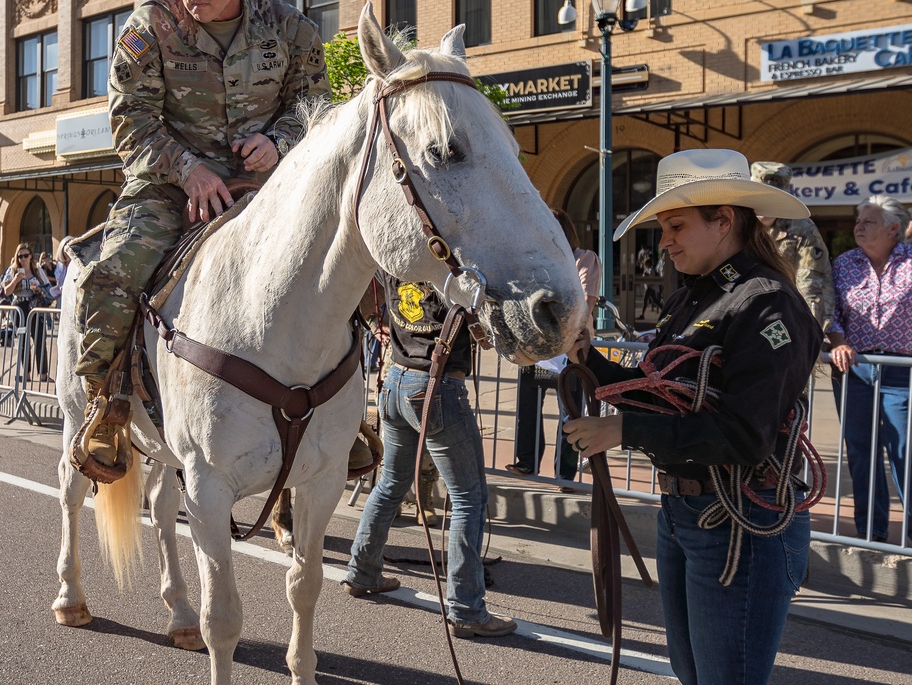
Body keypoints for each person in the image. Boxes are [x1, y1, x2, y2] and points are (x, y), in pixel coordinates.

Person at [72, 0, 329, 468]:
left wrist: (281, 141)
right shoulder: (148, 29)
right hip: (168, 188)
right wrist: (187, 167)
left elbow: (315, 106)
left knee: (341, 269)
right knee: (112, 272)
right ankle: (105, 405)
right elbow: (130, 120)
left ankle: (348, 416)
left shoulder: (290, 29)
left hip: (268, 188)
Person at [562, 148, 821, 685]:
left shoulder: (769, 305)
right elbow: (661, 392)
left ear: (724, 220)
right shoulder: (693, 298)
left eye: (676, 226)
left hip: (738, 524)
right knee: (692, 673)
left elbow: (745, 435)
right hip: (687, 515)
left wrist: (623, 429)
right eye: (662, 228)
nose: (665, 242)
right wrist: (585, 357)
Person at [343, 274, 517, 639]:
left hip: (396, 379)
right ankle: (467, 608)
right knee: (469, 498)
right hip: (437, 386)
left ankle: (362, 572)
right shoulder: (448, 269)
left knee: (391, 483)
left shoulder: (395, 265)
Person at [827, 195, 912, 544]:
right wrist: (837, 342)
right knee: (861, 451)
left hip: (901, 370)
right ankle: (871, 532)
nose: (858, 226)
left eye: (868, 221)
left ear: (894, 229)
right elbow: (829, 311)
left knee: (904, 450)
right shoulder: (844, 263)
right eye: (858, 220)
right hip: (854, 368)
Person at [506, 209, 600, 487]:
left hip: (570, 350)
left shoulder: (584, 259)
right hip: (536, 347)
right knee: (528, 408)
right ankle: (526, 462)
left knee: (570, 415)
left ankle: (565, 476)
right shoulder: (535, 263)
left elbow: (584, 304)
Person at [750, 161, 834, 332]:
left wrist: (807, 333)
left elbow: (810, 284)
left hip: (787, 311)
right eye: (761, 200)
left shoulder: (803, 229)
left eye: (774, 200)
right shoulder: (735, 224)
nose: (767, 208)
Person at [0, 243, 52, 382]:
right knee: (23, 341)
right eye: (20, 256)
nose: (22, 259)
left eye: (25, 255)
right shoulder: (13, 270)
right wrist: (16, 280)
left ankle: (43, 374)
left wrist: (40, 290)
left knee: (40, 339)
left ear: (30, 256)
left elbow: (48, 289)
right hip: (20, 306)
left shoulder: (38, 270)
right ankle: (27, 374)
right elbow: (6, 291)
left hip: (36, 306)